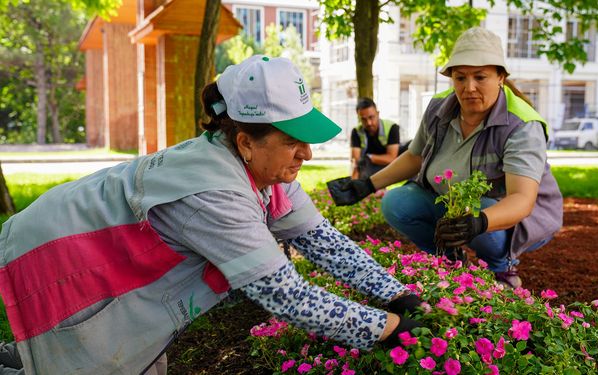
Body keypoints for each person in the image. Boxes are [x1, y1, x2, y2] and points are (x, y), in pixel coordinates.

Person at [0, 55, 423, 375]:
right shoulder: (214, 193)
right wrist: (386, 327)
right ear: (246, 141)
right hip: (63, 254)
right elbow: (284, 295)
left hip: (85, 243)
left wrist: (396, 293)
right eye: (294, 140)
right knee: (86, 361)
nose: (308, 154)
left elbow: (320, 240)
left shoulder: (265, 170)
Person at [330, 27, 563, 289]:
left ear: (500, 76)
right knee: (396, 203)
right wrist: (367, 185)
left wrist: (479, 223)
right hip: (457, 206)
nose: (469, 87)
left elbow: (521, 199)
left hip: (510, 217)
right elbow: (415, 156)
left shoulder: (522, 124)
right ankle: (451, 260)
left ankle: (502, 269)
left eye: (480, 77)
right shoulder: (440, 107)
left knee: (479, 211)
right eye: (460, 77)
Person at [350, 98, 402, 180]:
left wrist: (370, 157)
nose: (369, 123)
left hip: (392, 165)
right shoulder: (356, 131)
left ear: (378, 114)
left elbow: (392, 158)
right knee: (362, 166)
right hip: (367, 167)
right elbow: (356, 160)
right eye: (363, 119)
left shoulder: (392, 127)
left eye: (371, 117)